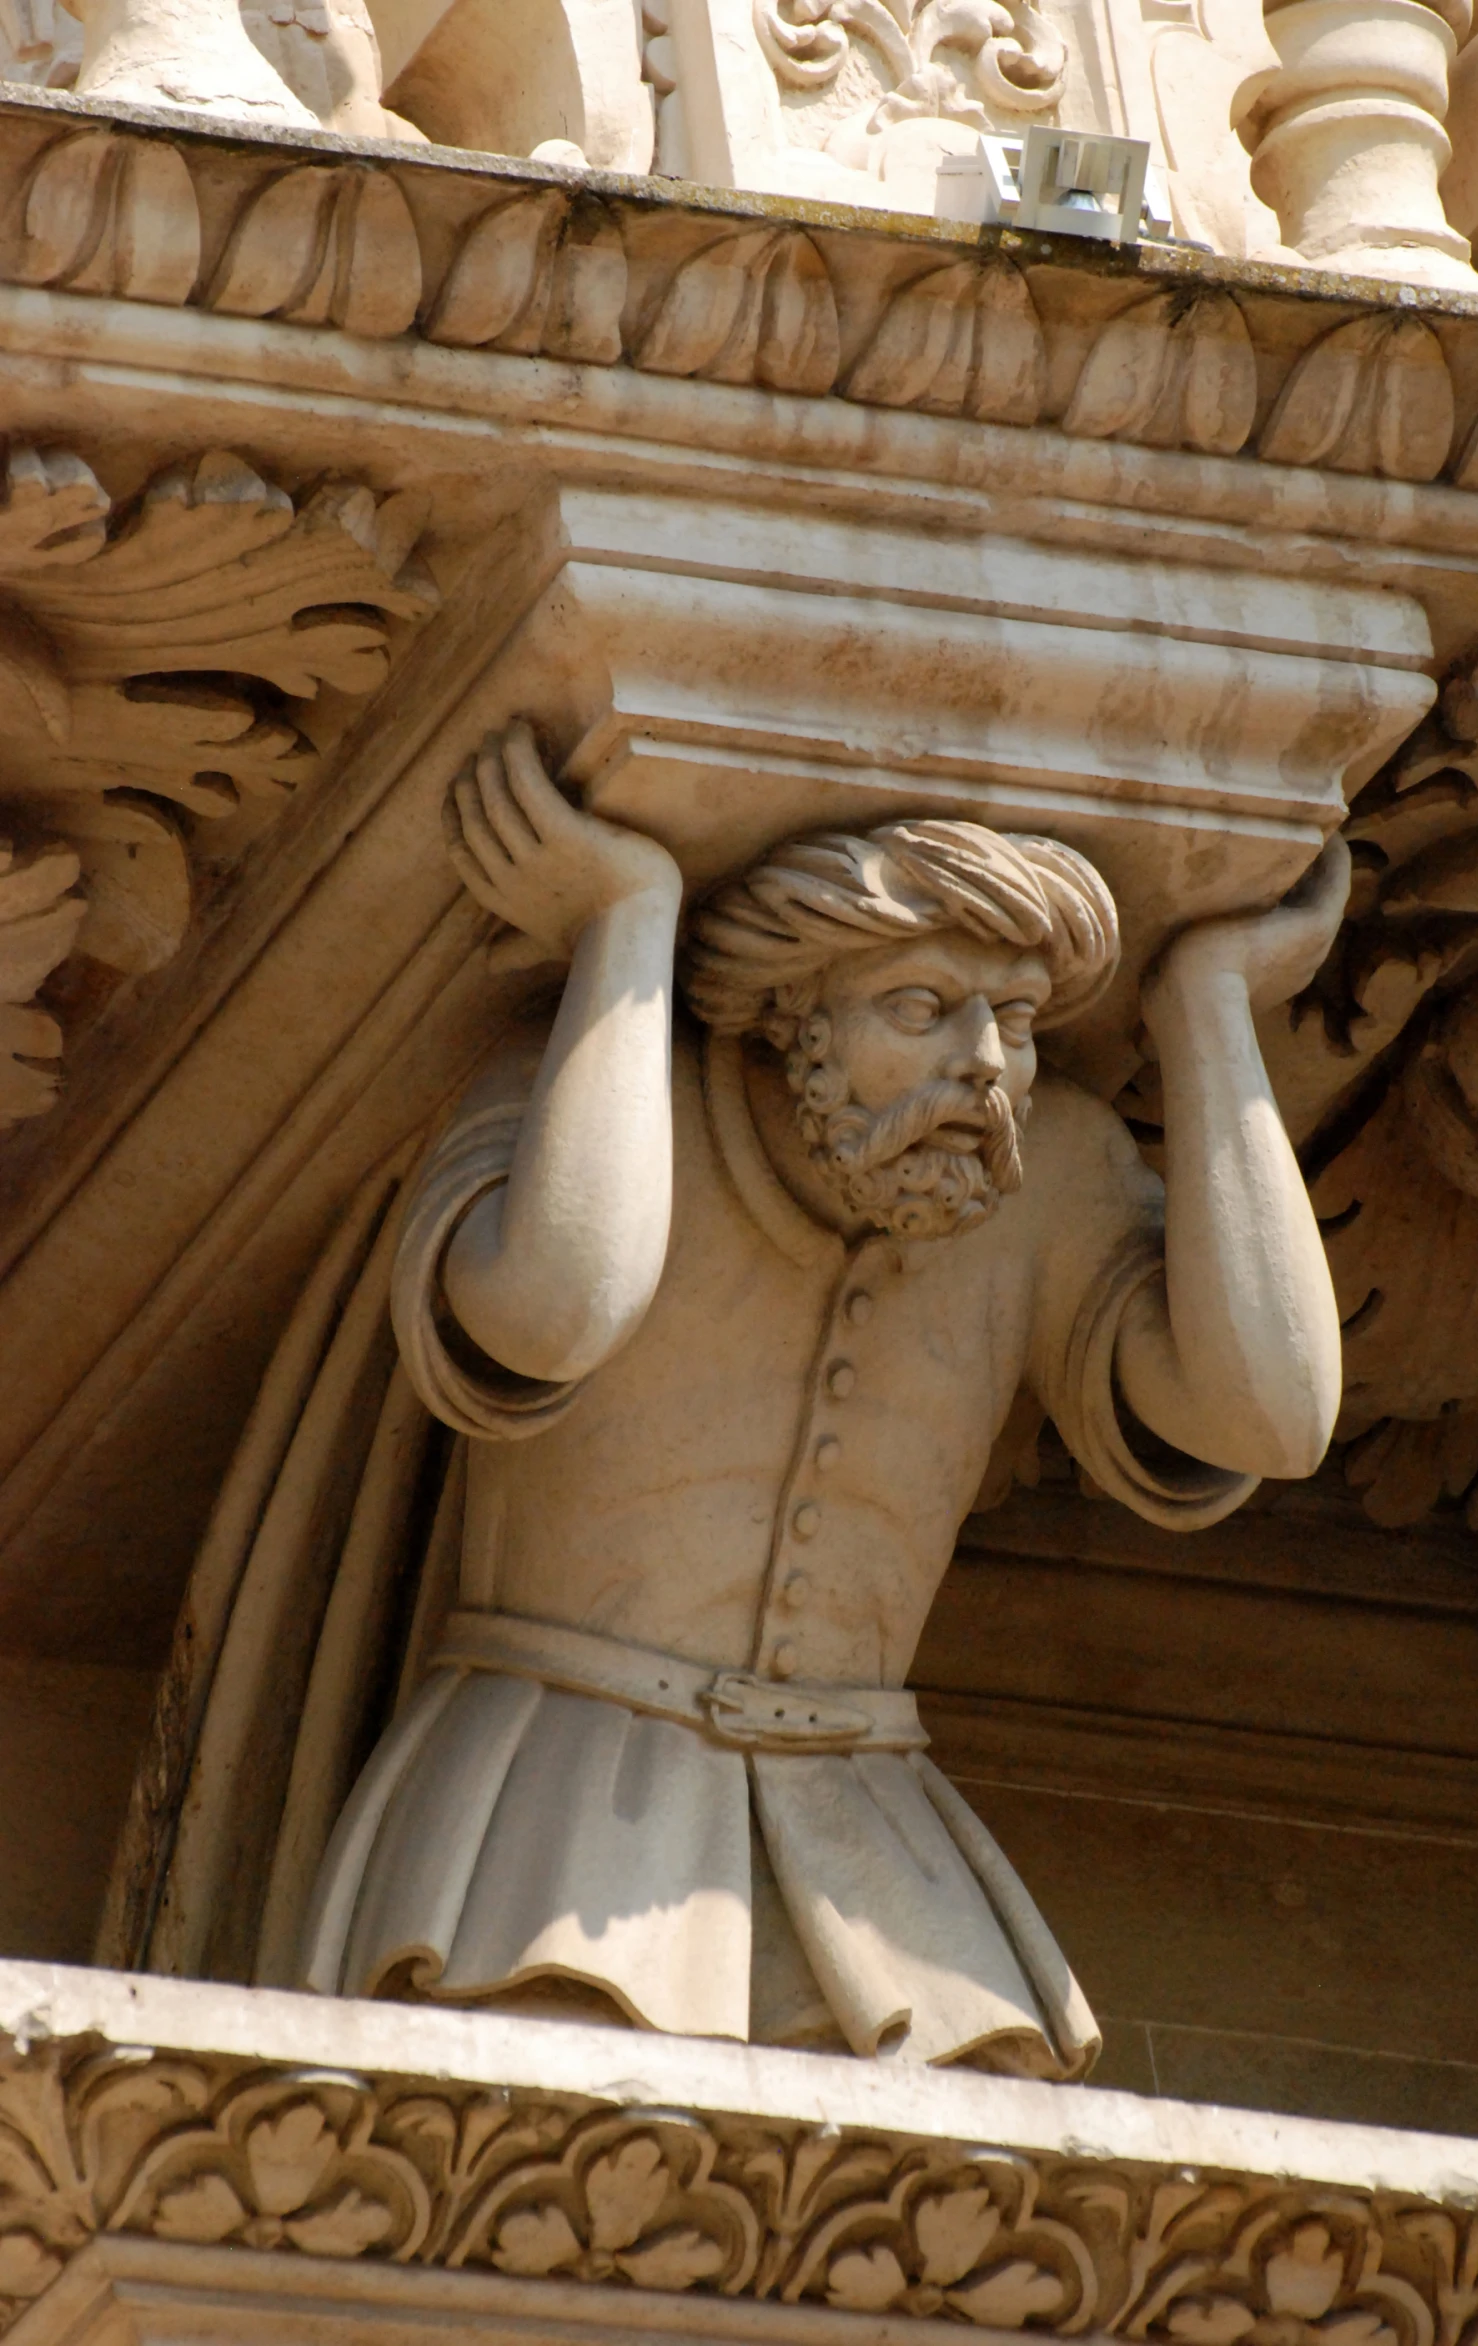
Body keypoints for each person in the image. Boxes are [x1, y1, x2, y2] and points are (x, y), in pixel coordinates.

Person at [298, 721, 1347, 2079]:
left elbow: (1269, 1417)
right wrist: (627, 925)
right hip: (552, 1790)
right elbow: (552, 1314)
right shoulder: (614, 1110)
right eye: (920, 1009)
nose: (983, 1061)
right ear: (793, 1020)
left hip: (870, 1821)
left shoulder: (1050, 1178)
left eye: (1017, 1022)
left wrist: (1206, 1005)